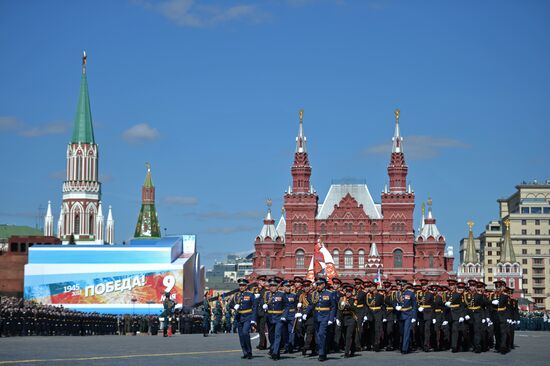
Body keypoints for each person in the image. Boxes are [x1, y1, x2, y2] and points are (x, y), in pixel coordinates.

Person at [306, 277, 336, 362]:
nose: (318, 286)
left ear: (324, 285)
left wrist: (331, 318)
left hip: (325, 317)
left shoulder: (330, 293)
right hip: (316, 317)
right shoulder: (314, 294)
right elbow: (311, 305)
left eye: (320, 284)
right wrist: (305, 313)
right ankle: (324, 350)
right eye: (317, 284)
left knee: (321, 334)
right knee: (319, 336)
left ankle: (321, 353)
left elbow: (333, 307)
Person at [229, 278, 258, 360]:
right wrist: (234, 306)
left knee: (245, 333)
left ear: (246, 286)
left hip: (248, 316)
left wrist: (253, 319)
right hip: (239, 317)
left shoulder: (250, 295)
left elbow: (255, 307)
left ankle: (249, 352)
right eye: (240, 285)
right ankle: (245, 352)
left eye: (243, 285)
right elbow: (230, 304)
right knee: (241, 336)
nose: (241, 287)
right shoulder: (236, 295)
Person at [396, 281, 417, 354]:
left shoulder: (410, 293)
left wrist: (414, 316)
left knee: (406, 332)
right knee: (401, 332)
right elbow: (393, 301)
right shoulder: (397, 293)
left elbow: (414, 305)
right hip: (400, 314)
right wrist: (395, 306)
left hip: (408, 314)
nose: (401, 287)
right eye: (400, 285)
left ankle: (404, 349)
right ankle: (402, 346)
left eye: (403, 285)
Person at [337, 284, 357, 358]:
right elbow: (339, 309)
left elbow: (354, 308)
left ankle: (346, 352)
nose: (348, 293)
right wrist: (338, 319)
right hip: (343, 319)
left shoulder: (354, 299)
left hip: (351, 318)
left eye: (349, 292)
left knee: (349, 336)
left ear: (352, 292)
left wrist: (347, 305)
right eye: (347, 291)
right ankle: (352, 349)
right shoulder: (342, 299)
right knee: (345, 336)